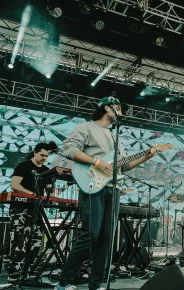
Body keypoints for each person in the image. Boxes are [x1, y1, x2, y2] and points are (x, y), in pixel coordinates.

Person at [54, 97, 157, 290]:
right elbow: (68, 149)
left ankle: (96, 284)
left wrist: (145, 156)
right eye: (118, 108)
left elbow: (123, 166)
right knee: (90, 235)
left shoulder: (115, 137)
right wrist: (96, 162)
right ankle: (63, 282)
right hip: (92, 185)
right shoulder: (87, 127)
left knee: (107, 239)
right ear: (106, 108)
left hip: (113, 188)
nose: (122, 113)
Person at [9, 141, 56, 282]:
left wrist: (51, 193)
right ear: (35, 152)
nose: (44, 158)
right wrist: (29, 193)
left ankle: (28, 270)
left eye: (46, 156)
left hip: (37, 210)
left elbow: (49, 190)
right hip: (20, 208)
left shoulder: (46, 170)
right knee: (19, 239)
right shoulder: (23, 166)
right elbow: (14, 185)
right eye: (42, 155)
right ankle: (14, 272)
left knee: (36, 240)